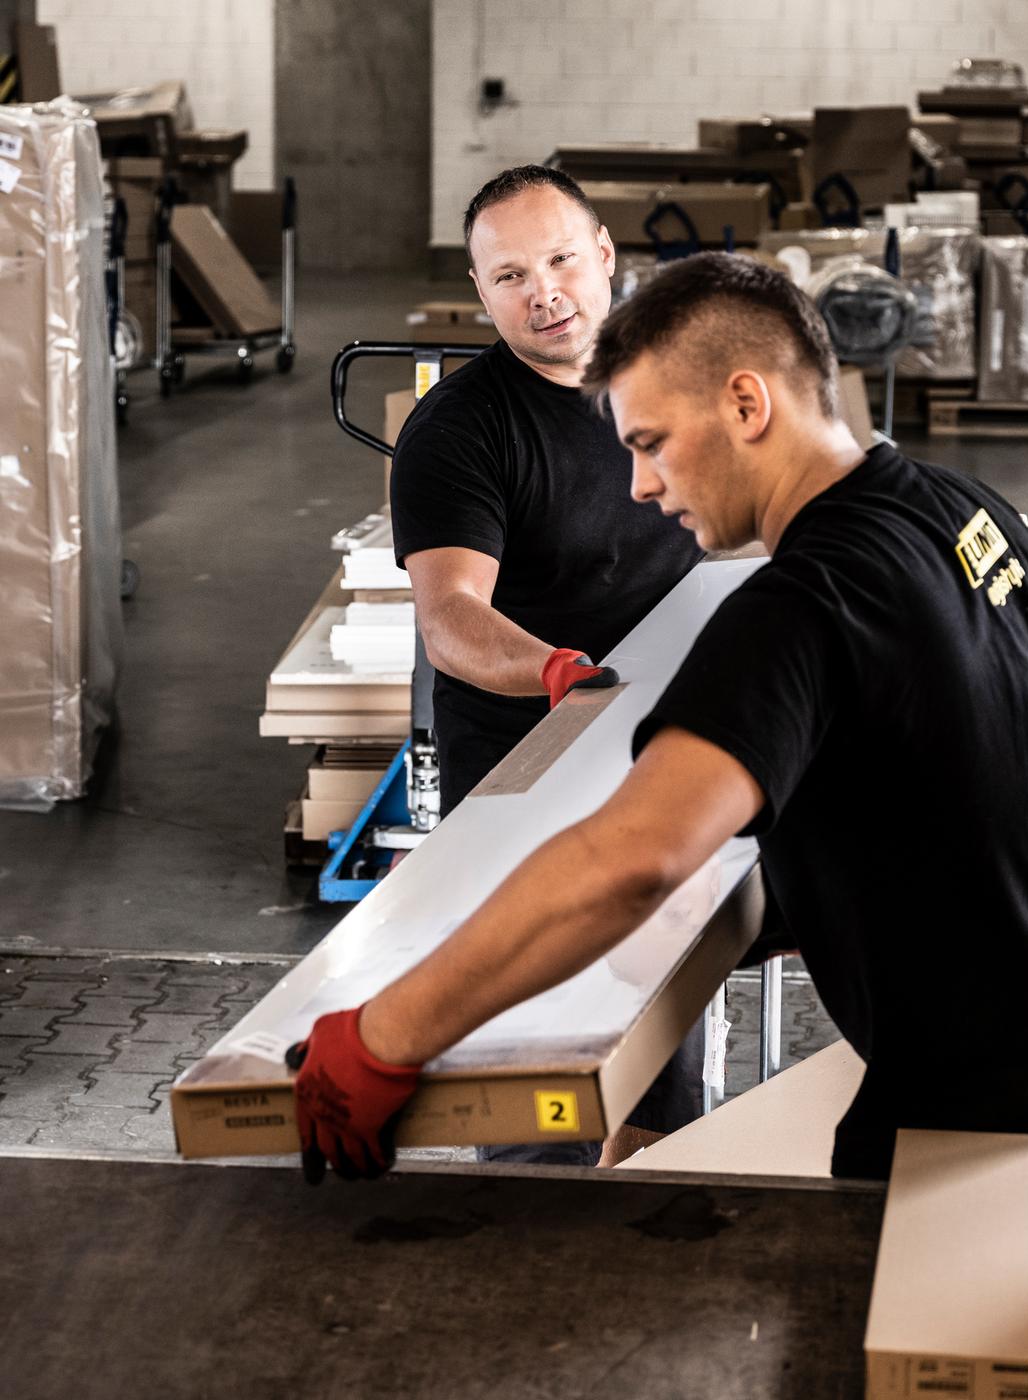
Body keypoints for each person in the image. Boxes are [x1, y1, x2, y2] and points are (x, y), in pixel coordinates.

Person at [291, 252, 1028, 1184]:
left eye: (650, 442)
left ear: (746, 404)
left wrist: (384, 1036)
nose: (641, 486)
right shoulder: (964, 510)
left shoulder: (801, 603)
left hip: (1018, 1118)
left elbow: (631, 858)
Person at [387, 166, 704, 1167]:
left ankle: (652, 1220)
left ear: (604, 254)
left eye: (561, 258)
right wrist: (563, 675)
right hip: (524, 780)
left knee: (661, 1050)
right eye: (512, 274)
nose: (546, 290)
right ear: (482, 294)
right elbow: (450, 618)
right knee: (536, 1083)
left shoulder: (669, 384)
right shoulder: (460, 430)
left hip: (659, 758)